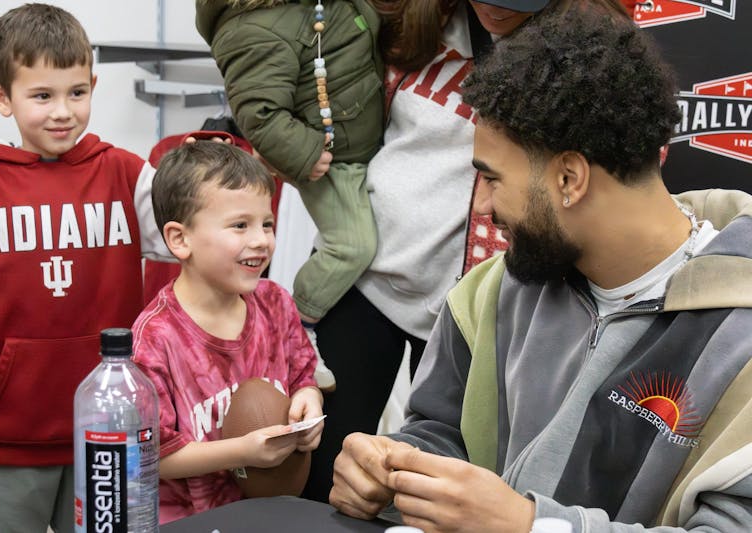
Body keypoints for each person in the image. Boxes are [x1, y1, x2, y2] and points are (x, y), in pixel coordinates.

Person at [330, 8, 752, 532]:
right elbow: (439, 432)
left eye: (492, 178)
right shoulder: (487, 295)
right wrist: (389, 469)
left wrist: (532, 525)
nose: (481, 205)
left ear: (570, 178)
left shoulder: (741, 339)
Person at [301, 0, 631, 502]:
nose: (493, 9)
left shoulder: (583, 54)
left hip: (466, 308)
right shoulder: (415, 21)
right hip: (366, 281)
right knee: (328, 471)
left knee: (434, 484)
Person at [0, 4, 174, 532]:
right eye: (42, 95)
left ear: (94, 85)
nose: (62, 111)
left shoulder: (127, 174)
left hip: (110, 424)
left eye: (77, 92)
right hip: (13, 432)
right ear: (2, 97)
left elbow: (188, 237)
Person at [195, 0, 385, 393]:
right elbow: (259, 112)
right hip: (333, 161)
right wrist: (305, 152)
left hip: (356, 140)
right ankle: (296, 322)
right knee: (351, 245)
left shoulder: (307, 7)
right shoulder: (254, 26)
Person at [131, 140, 325, 524]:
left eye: (266, 224)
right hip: (189, 521)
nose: (260, 240)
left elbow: (304, 375)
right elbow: (154, 456)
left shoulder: (275, 303)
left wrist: (309, 404)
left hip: (268, 514)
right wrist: (242, 452)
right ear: (180, 239)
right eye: (240, 225)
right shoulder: (156, 338)